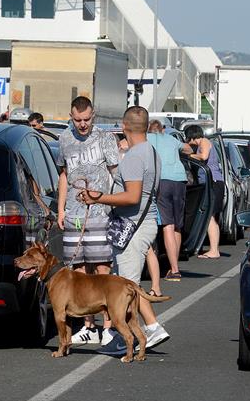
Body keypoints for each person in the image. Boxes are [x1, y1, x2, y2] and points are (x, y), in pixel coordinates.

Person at [80, 106, 170, 356]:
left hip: (133, 225)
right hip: (146, 221)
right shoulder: (151, 152)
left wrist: (98, 198)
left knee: (126, 287)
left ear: (124, 125)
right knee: (127, 283)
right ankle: (150, 327)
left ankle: (131, 336)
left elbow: (131, 196)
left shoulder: (133, 157)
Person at [56, 96, 119, 346]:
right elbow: (63, 175)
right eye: (78, 120)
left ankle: (108, 327)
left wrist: (113, 202)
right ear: (71, 117)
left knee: (102, 269)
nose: (83, 124)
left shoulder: (105, 139)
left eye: (87, 119)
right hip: (73, 213)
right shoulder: (64, 139)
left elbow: (116, 173)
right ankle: (89, 325)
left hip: (101, 212)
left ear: (94, 116)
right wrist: (61, 210)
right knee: (79, 272)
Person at [145, 119, 190, 283]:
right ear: (163, 129)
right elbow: (188, 148)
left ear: (149, 129)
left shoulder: (147, 138)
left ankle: (175, 270)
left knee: (167, 225)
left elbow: (123, 145)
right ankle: (174, 267)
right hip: (180, 180)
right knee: (177, 225)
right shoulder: (172, 139)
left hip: (162, 181)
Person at [184, 125, 223, 259]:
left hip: (213, 182)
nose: (188, 142)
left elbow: (203, 156)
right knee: (210, 216)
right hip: (212, 182)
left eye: (188, 139)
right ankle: (213, 249)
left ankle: (214, 250)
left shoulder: (205, 142)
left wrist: (189, 155)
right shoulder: (204, 143)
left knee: (210, 217)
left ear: (193, 137)